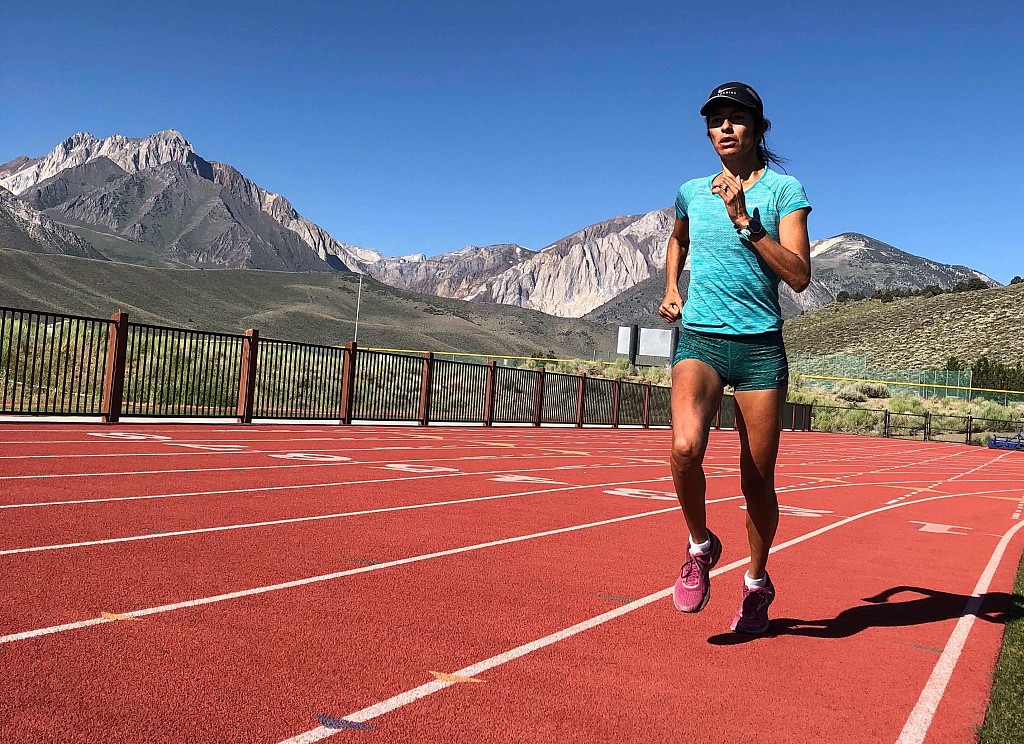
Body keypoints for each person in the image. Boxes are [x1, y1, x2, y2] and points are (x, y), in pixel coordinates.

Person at [658, 82, 812, 634]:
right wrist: (672, 287)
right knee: (684, 449)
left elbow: (799, 275)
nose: (724, 127)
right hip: (700, 338)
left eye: (736, 118)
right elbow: (678, 240)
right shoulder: (691, 192)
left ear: (759, 128)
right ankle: (700, 546)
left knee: (757, 480)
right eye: (715, 120)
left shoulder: (785, 190)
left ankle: (755, 581)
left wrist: (747, 222)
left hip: (759, 349)